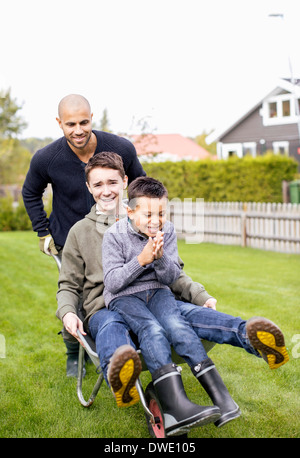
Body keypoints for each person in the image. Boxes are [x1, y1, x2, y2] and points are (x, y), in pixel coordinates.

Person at [57, 153, 289, 433]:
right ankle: (120, 374)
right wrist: (68, 312)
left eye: (112, 182)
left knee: (190, 314)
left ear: (124, 182)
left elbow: (174, 273)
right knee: (111, 327)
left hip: (155, 296)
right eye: (98, 184)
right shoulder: (80, 232)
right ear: (89, 188)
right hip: (106, 306)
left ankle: (251, 337)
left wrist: (201, 295)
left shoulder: (150, 217)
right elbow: (68, 284)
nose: (106, 190)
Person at [22, 94, 146, 376]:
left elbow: (140, 184)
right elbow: (30, 192)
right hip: (70, 237)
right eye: (70, 124)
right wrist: (43, 232)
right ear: (59, 123)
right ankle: (73, 353)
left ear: (92, 119)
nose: (78, 130)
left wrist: (142, 217)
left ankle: (122, 341)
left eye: (84, 122)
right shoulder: (46, 159)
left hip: (117, 234)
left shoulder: (120, 148)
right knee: (74, 297)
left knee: (125, 287)